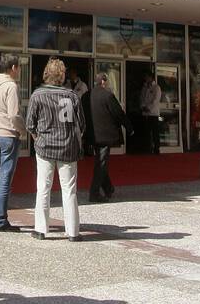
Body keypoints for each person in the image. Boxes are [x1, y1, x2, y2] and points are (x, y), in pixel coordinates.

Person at [26, 58, 84, 240]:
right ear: (62, 75)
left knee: (43, 187)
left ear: (46, 74)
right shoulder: (72, 95)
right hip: (67, 148)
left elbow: (29, 124)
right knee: (69, 190)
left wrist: (38, 138)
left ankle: (41, 229)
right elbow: (81, 124)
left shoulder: (38, 95)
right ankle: (73, 232)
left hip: (45, 147)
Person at [0, 53, 24, 232]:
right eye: (19, 67)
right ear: (13, 68)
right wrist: (23, 131)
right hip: (8, 134)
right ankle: (0, 220)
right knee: (5, 179)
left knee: (2, 175)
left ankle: (0, 217)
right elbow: (14, 114)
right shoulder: (11, 86)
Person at [88, 71, 132, 202]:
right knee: (101, 164)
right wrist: (129, 128)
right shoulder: (108, 96)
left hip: (92, 134)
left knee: (100, 162)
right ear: (103, 81)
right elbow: (119, 114)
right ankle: (94, 193)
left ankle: (108, 188)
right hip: (105, 135)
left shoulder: (87, 95)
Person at [140, 69, 162, 155]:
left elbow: (156, 100)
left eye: (147, 77)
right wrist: (142, 107)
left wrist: (148, 108)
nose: (145, 78)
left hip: (153, 113)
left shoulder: (156, 87)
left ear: (151, 77)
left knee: (155, 132)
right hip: (145, 113)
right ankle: (148, 148)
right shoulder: (144, 87)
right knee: (147, 132)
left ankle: (157, 148)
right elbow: (141, 98)